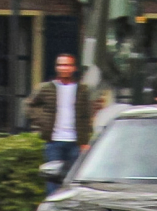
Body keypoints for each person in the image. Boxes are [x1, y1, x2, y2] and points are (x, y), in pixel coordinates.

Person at [25, 53, 107, 188]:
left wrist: (85, 141)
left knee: (73, 180)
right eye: (61, 65)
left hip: (75, 142)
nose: (64, 68)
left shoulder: (82, 89)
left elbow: (86, 116)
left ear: (74, 68)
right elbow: (29, 105)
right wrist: (42, 121)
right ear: (57, 67)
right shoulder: (45, 88)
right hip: (54, 142)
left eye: (68, 65)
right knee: (52, 181)